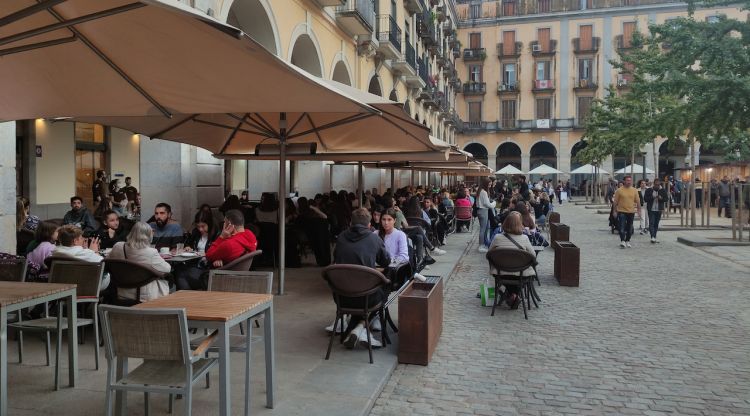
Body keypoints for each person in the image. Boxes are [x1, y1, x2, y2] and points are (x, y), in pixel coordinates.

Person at [333, 208, 390, 348]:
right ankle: (361, 329)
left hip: (341, 297)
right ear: (369, 224)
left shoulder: (341, 237)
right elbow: (386, 262)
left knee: (359, 291)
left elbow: (336, 258)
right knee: (384, 289)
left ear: (351, 223)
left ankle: (357, 329)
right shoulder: (374, 238)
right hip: (366, 298)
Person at [106, 222, 171, 302]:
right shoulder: (151, 252)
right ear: (148, 235)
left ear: (132, 232)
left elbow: (108, 261)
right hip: (143, 295)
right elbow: (167, 269)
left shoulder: (118, 246)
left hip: (122, 291)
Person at [488, 212, 536, 309]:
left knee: (506, 276)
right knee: (519, 277)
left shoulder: (497, 238)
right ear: (520, 224)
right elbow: (533, 256)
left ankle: (511, 295)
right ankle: (515, 295)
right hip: (520, 272)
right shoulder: (525, 238)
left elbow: (489, 253)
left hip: (501, 271)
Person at [613, 175, 640, 248]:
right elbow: (615, 202)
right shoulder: (619, 190)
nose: (629, 182)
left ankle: (627, 240)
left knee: (630, 228)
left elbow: (638, 201)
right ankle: (622, 241)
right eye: (627, 180)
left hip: (631, 212)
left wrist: (639, 210)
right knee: (622, 227)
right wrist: (614, 211)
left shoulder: (634, 190)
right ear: (624, 181)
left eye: (630, 180)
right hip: (621, 211)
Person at [644, 178, 668, 243]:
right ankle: (652, 237)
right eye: (656, 184)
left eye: (658, 185)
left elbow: (666, 199)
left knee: (656, 223)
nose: (657, 186)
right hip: (651, 209)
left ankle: (654, 236)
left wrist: (661, 198)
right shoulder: (649, 190)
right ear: (653, 184)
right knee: (651, 223)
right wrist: (652, 197)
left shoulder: (662, 190)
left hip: (659, 209)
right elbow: (645, 199)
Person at [476, 177, 496, 253]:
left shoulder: (480, 190)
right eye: (489, 184)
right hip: (483, 210)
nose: (490, 186)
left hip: (481, 210)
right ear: (485, 184)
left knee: (485, 228)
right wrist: (494, 203)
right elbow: (487, 204)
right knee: (483, 229)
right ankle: (481, 246)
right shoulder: (484, 192)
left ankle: (483, 244)